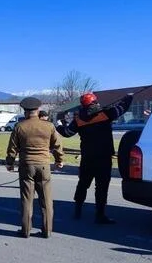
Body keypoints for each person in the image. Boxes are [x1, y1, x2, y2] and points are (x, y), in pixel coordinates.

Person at [57, 92, 133, 224]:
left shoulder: (78, 119)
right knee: (102, 187)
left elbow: (67, 133)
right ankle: (100, 215)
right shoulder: (105, 114)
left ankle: (78, 211)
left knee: (83, 184)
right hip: (103, 157)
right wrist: (128, 97)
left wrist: (58, 125)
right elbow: (122, 108)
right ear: (95, 102)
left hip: (87, 157)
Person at [6, 97, 64, 238]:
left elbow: (12, 148)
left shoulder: (20, 126)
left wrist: (10, 163)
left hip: (26, 165)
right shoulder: (49, 126)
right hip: (43, 165)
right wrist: (59, 160)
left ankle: (25, 231)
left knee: (27, 199)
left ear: (25, 111)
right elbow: (57, 145)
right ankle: (47, 230)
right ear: (38, 110)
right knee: (46, 200)